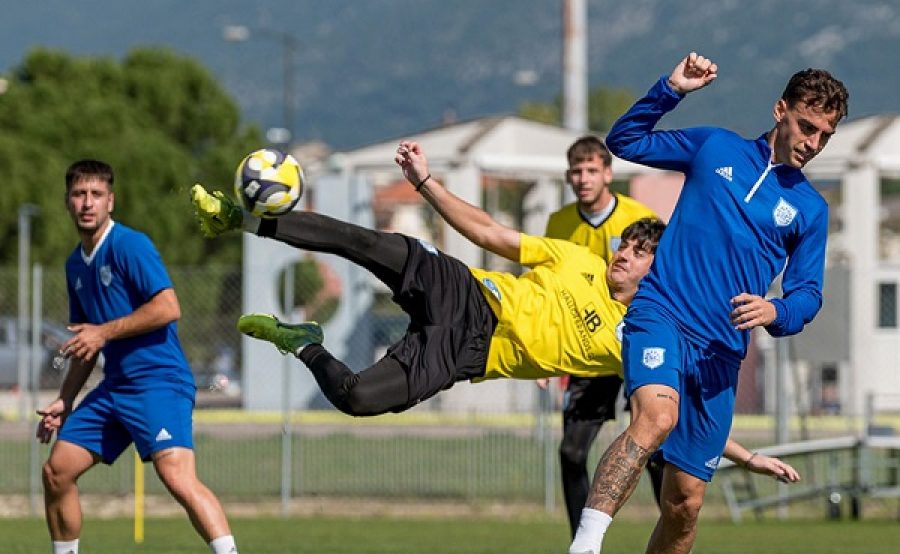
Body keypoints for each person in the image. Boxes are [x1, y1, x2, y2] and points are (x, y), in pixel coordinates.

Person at [556, 53, 848, 554]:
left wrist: (776, 311)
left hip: (720, 355)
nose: (813, 143)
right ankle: (582, 551)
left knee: (685, 503)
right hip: (662, 314)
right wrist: (671, 89)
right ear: (781, 111)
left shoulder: (810, 210)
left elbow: (808, 294)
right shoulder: (715, 148)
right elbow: (625, 140)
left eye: (825, 135)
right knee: (655, 419)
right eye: (806, 126)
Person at [191, 144, 661, 415]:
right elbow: (488, 231)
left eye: (637, 252)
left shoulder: (631, 340)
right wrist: (424, 182)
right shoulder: (579, 258)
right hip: (465, 291)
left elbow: (669, 397)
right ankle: (239, 218)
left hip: (463, 352)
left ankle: (302, 342)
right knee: (363, 242)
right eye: (624, 244)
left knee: (357, 398)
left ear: (656, 272)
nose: (622, 254)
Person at [18, 160, 257, 554]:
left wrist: (104, 332)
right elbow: (87, 344)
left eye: (96, 194)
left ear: (110, 201)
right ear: (67, 201)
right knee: (57, 471)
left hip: (159, 381)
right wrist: (65, 401)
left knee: (176, 476)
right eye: (79, 194)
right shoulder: (75, 265)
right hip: (115, 388)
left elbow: (168, 308)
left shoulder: (130, 245)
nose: (87, 203)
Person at [541, 136, 702, 554]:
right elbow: (552, 289)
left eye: (592, 170)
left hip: (638, 341)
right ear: (568, 176)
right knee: (572, 451)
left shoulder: (637, 220)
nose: (583, 179)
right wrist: (547, 354)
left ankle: (675, 550)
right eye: (576, 171)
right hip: (590, 349)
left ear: (608, 174)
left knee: (653, 448)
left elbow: (669, 275)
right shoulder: (558, 223)